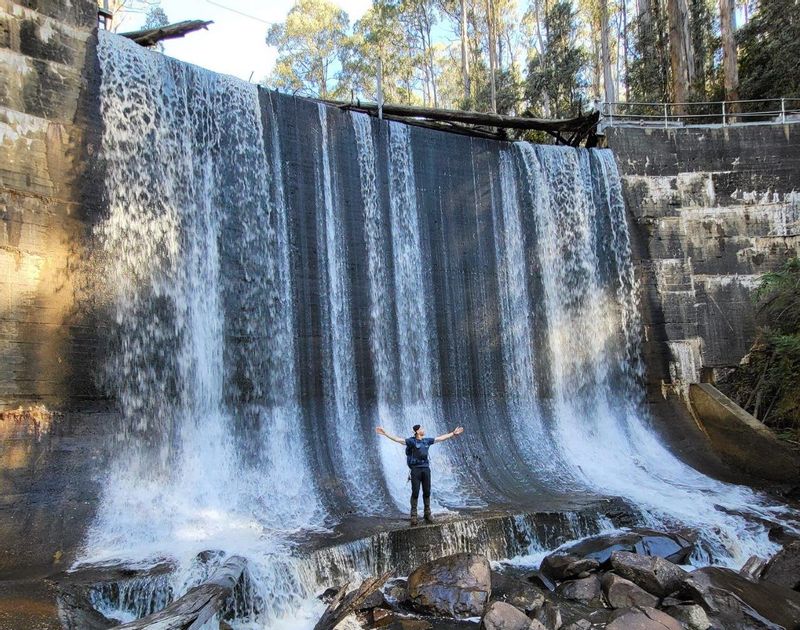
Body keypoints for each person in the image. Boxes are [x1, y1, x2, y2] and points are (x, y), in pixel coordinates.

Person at [375, 424, 464, 526]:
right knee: (415, 492)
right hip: (415, 470)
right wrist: (385, 433)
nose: (423, 430)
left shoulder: (427, 441)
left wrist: (453, 433)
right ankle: (414, 516)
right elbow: (397, 440)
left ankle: (427, 513)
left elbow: (440, 438)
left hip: (426, 469)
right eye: (422, 429)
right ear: (417, 431)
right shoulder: (411, 442)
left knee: (427, 491)